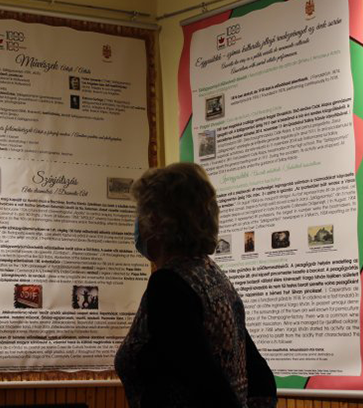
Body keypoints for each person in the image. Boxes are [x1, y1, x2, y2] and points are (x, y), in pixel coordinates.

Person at [115, 162, 276, 408]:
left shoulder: (169, 285)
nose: (138, 223)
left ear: (156, 220)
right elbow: (261, 379)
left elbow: (204, 384)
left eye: (141, 212)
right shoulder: (211, 274)